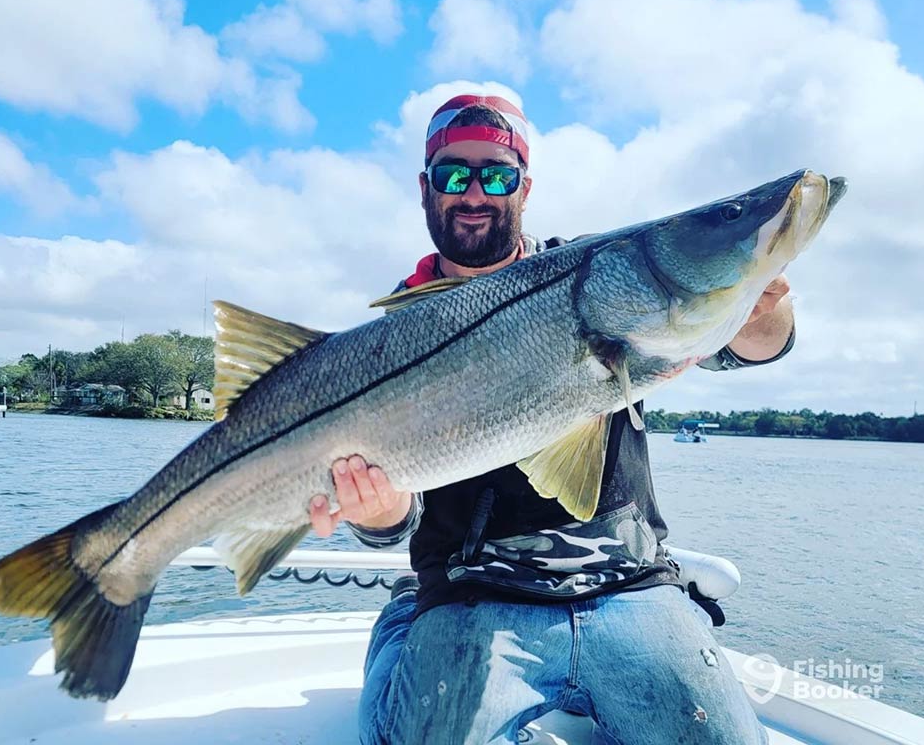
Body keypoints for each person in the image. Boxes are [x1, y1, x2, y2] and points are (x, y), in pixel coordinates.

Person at [308, 94, 794, 745]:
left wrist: (761, 301)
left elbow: (750, 346)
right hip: (471, 598)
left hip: (631, 589)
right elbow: (396, 524)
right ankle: (404, 625)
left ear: (525, 188)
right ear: (426, 188)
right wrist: (376, 513)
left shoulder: (604, 272)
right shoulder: (393, 336)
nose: (475, 192)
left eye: (498, 174)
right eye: (455, 174)